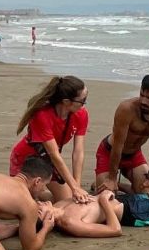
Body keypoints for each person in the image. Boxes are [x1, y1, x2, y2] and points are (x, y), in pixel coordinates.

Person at [10, 76, 91, 204]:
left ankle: (40, 195)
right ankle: (32, 196)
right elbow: (55, 155)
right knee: (21, 204)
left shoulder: (81, 114)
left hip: (48, 161)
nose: (84, 104)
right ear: (66, 101)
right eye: (83, 100)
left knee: (68, 201)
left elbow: (78, 152)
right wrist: (74, 187)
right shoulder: (42, 115)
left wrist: (77, 185)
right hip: (28, 159)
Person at [95, 74, 149, 195]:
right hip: (110, 152)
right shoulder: (126, 109)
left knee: (148, 194)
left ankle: (121, 186)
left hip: (133, 155)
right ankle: (104, 182)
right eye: (142, 95)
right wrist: (112, 179)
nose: (143, 101)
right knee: (107, 195)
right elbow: (118, 145)